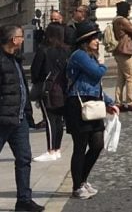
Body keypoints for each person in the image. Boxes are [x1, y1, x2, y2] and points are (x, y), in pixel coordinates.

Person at [65, 21, 119, 202]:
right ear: (85, 41)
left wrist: (109, 102)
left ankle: (83, 180)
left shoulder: (90, 56)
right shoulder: (79, 56)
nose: (98, 42)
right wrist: (103, 63)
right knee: (80, 147)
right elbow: (97, 74)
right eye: (94, 38)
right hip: (78, 104)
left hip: (93, 102)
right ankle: (77, 186)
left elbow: (96, 86)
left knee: (97, 144)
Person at [0, 25, 44, 211]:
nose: (23, 39)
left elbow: (21, 88)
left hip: (19, 120)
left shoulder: (15, 59)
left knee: (24, 158)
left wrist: (27, 113)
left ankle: (24, 200)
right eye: (20, 36)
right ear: (13, 40)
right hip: (2, 119)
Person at [30, 22, 67, 162]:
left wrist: (37, 82)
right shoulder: (65, 51)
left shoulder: (43, 50)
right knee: (59, 120)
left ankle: (51, 150)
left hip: (47, 89)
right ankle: (57, 149)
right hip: (62, 88)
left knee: (50, 120)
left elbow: (35, 71)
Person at [110, 1, 132, 111]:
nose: (130, 11)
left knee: (121, 78)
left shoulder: (115, 20)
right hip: (125, 50)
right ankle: (131, 102)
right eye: (128, 9)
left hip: (119, 51)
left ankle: (118, 102)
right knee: (131, 77)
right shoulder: (123, 21)